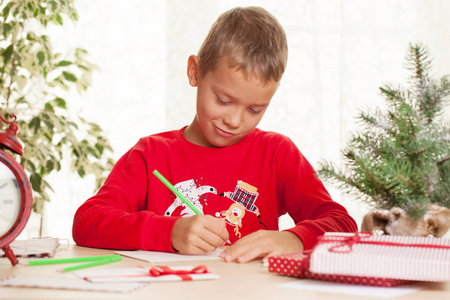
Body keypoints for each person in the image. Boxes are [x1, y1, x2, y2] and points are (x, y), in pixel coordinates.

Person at [72, 6, 357, 264]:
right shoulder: (151, 154)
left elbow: (342, 223)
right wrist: (169, 232)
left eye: (255, 110)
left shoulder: (276, 153)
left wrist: (294, 239)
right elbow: (87, 222)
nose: (234, 120)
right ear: (195, 72)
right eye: (222, 100)